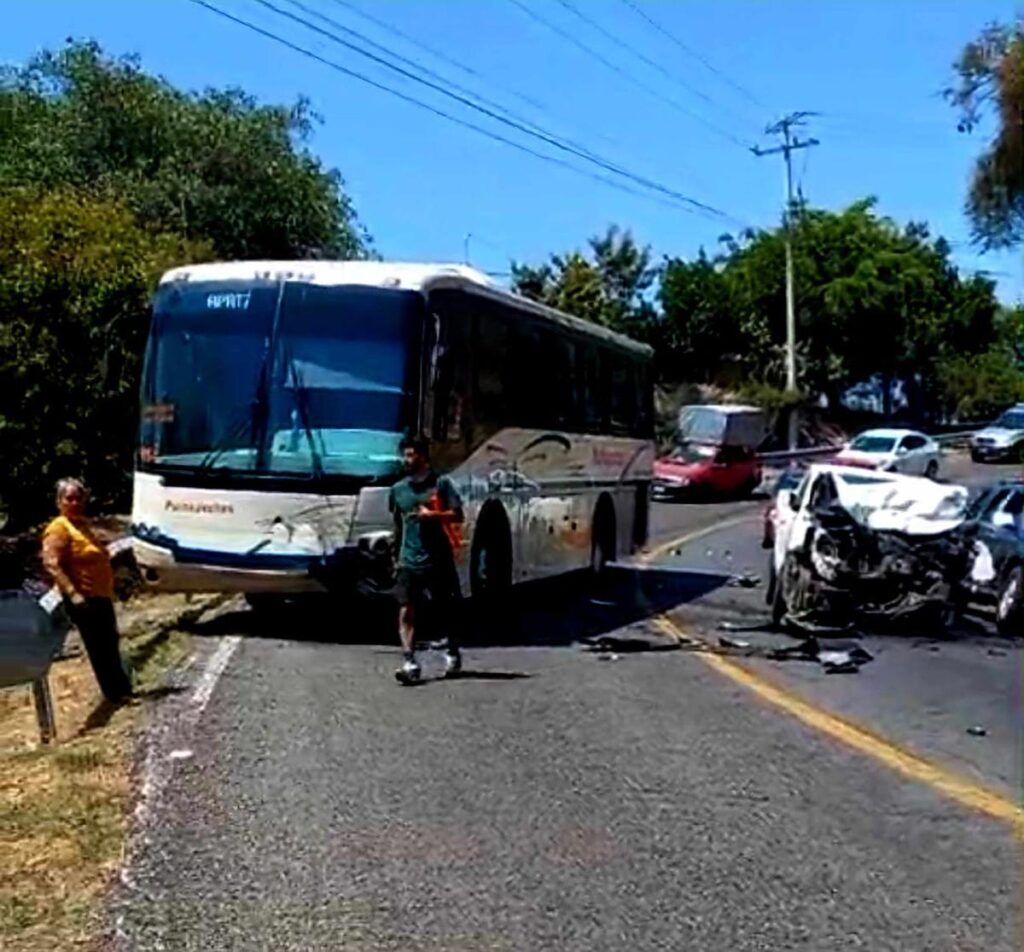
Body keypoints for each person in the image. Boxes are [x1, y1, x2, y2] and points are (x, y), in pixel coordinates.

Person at [41, 478, 132, 704]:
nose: (75, 502)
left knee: (110, 641)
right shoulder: (58, 528)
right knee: (98, 646)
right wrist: (73, 593)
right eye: (69, 498)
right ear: (59, 501)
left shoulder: (82, 525)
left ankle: (123, 689)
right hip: (83, 598)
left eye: (78, 498)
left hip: (101, 594)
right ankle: (114, 694)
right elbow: (52, 564)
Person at [389, 436, 464, 684]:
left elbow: (457, 515)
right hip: (408, 561)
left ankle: (452, 651)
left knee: (446, 609)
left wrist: (433, 515)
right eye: (405, 455)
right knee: (406, 611)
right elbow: (398, 526)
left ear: (423, 456)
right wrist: (395, 558)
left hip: (438, 560)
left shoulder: (441, 484)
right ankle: (410, 661)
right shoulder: (398, 490)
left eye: (411, 455)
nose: (406, 459)